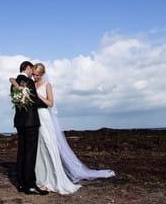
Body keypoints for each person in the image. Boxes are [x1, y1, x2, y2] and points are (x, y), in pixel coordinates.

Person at [10, 63, 115, 193]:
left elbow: (50, 103)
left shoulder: (43, 84)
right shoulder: (28, 83)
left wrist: (37, 95)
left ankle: (51, 178)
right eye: (34, 74)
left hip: (41, 118)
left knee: (47, 146)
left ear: (42, 74)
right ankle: (34, 180)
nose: (35, 76)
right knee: (34, 151)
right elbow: (26, 98)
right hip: (33, 120)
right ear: (29, 69)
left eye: (37, 75)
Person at [11, 61, 49, 195]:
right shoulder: (28, 82)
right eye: (31, 69)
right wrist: (47, 104)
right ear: (27, 68)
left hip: (20, 123)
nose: (32, 72)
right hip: (31, 122)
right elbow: (34, 100)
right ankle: (30, 185)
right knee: (30, 154)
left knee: (21, 152)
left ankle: (20, 184)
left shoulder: (14, 83)